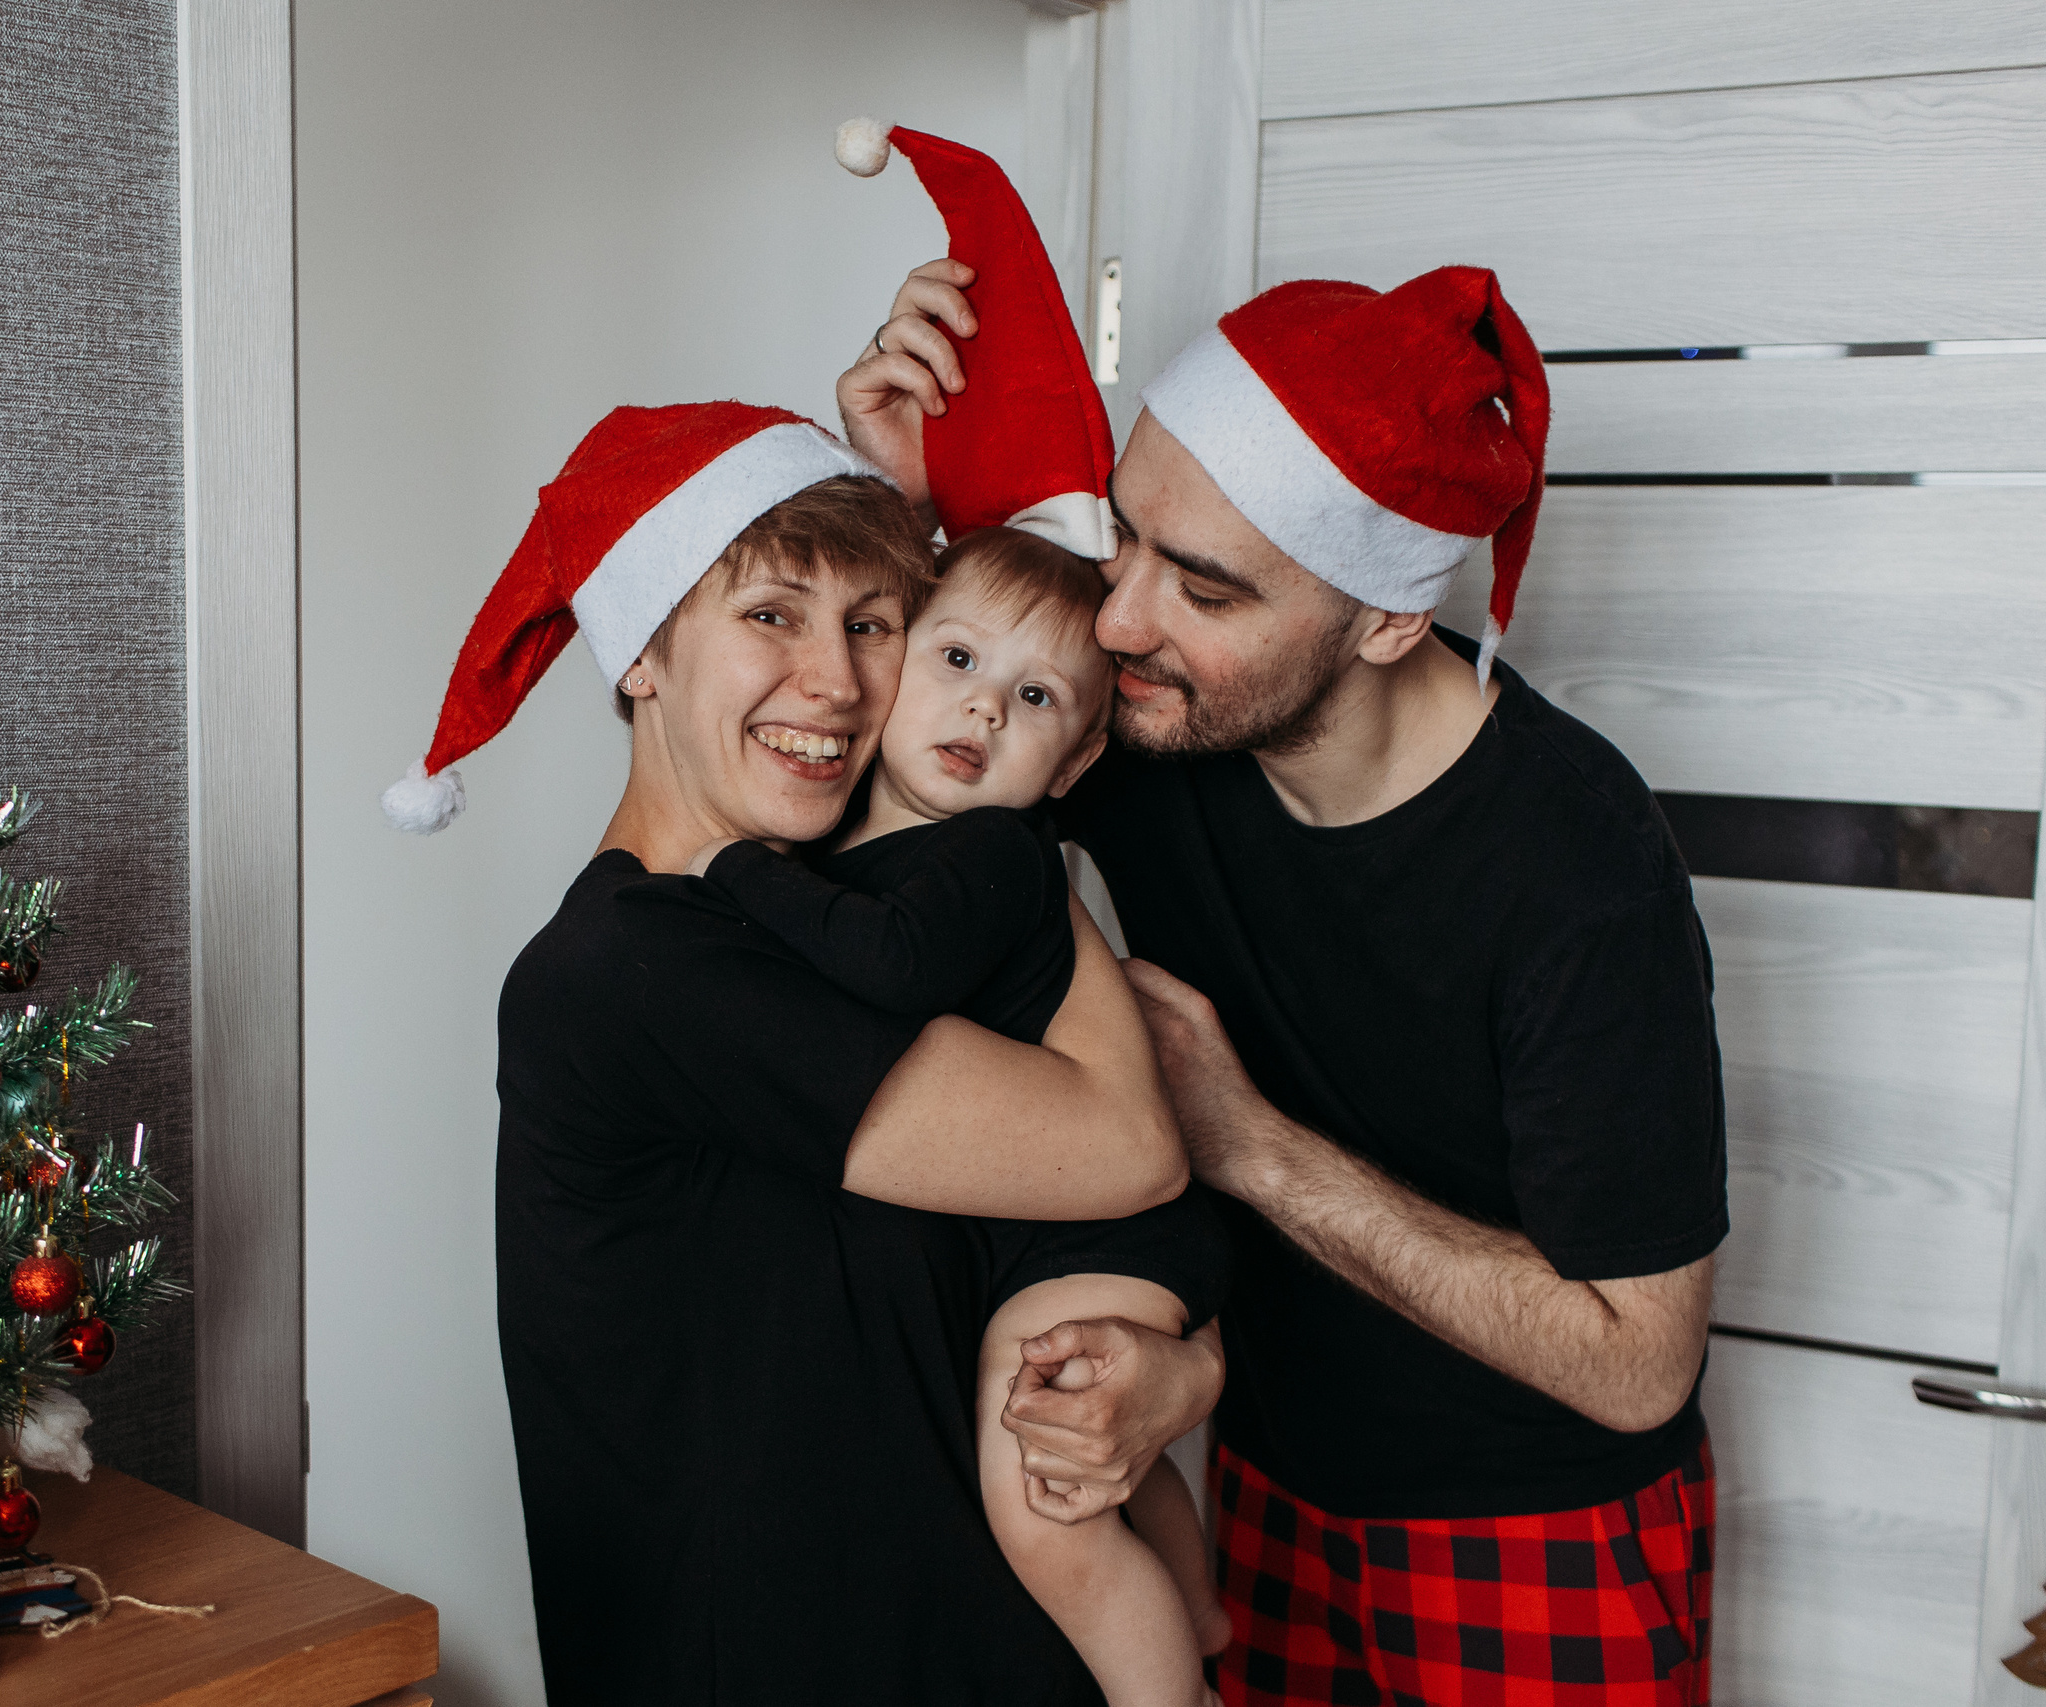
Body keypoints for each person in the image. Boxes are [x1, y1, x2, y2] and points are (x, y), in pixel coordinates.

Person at [840, 253, 1726, 1703]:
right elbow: (922, 735)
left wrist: (1246, 1141)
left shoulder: (1579, 866)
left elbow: (1638, 1362)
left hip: (1539, 1534)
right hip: (1262, 1489)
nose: (1120, 619)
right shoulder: (1148, 719)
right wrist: (899, 507)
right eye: (1127, 542)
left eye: (1199, 586)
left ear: (1381, 621)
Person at [379, 398, 1230, 1704]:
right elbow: (1127, 1147)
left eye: (872, 627)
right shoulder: (645, 964)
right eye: (771, 614)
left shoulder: (837, 917)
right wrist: (1013, 847)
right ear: (644, 653)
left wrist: (1185, 1364)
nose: (836, 681)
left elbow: (1007, 1266)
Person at [690, 521, 1235, 1705]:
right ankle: (1190, 1609)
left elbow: (891, 967)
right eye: (953, 662)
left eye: (1031, 696)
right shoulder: (849, 838)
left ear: (1078, 758)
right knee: (1104, 1457)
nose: (982, 711)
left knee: (1040, 1500)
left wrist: (728, 866)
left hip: (1094, 1231)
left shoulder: (993, 854)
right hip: (1042, 1221)